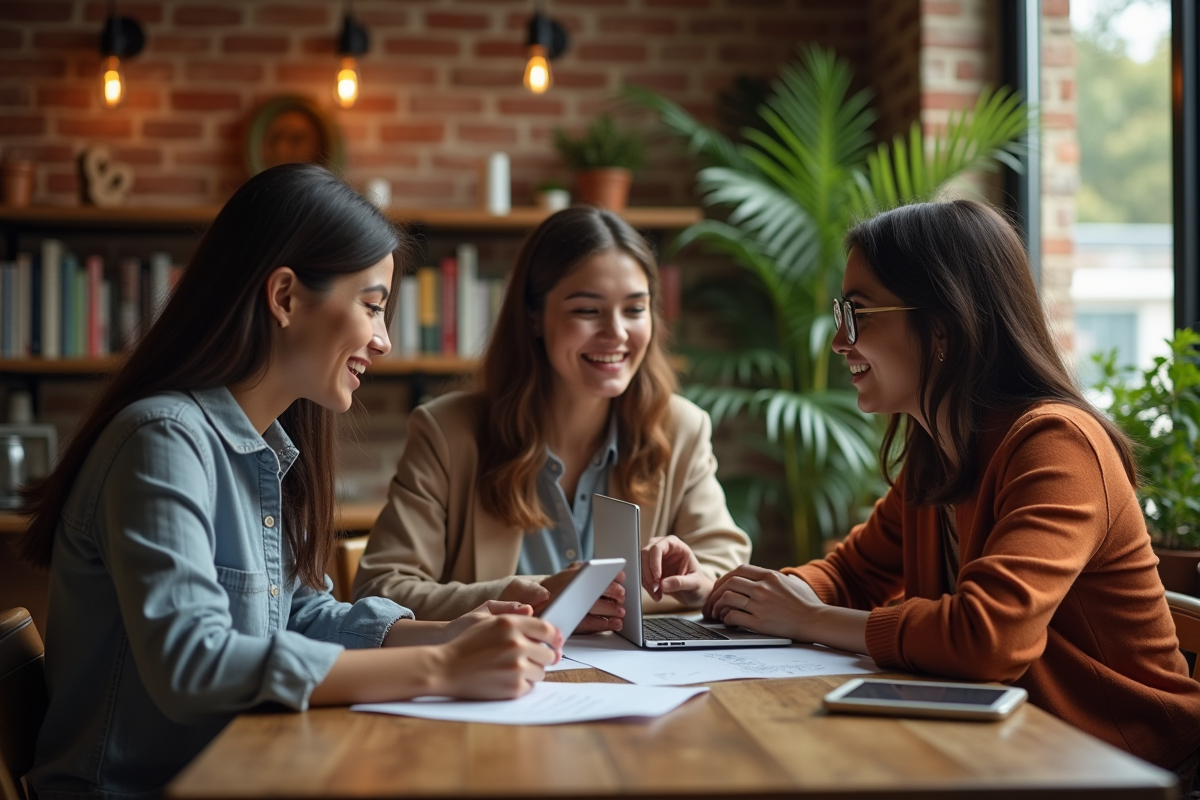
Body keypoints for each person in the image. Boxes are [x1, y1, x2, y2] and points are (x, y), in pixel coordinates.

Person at [20, 164, 560, 800]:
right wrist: (441, 667)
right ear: (284, 297)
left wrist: (444, 632)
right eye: (372, 306)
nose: (383, 340)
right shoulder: (161, 439)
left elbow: (298, 612)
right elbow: (191, 663)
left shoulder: (269, 450)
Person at [704, 199, 1200, 786]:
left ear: (942, 326)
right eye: (842, 312)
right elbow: (852, 575)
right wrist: (749, 596)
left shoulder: (1057, 444)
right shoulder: (939, 449)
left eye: (858, 313)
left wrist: (809, 619)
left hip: (1123, 764)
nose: (839, 340)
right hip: (1002, 748)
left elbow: (988, 637)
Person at [353, 206, 751, 631]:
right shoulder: (447, 432)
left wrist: (695, 581)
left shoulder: (681, 428)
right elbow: (381, 589)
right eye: (587, 310)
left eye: (635, 310)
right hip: (494, 680)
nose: (616, 333)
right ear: (534, 316)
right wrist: (541, 594)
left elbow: (723, 567)